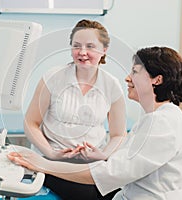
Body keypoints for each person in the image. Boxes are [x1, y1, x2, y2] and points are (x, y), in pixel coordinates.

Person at [8, 46, 182, 200]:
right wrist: (102, 155)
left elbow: (108, 174)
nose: (128, 78)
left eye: (135, 72)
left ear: (157, 80)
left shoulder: (163, 123)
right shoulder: (153, 117)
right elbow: (125, 162)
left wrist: (43, 165)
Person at [22, 19, 127, 199]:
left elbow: (119, 134)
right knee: (86, 194)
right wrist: (51, 153)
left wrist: (103, 155)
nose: (83, 52)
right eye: (76, 46)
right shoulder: (53, 78)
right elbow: (31, 123)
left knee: (122, 191)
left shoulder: (111, 85)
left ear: (104, 51)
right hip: (54, 163)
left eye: (90, 46)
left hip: (92, 164)